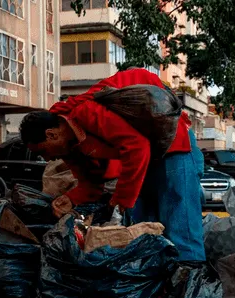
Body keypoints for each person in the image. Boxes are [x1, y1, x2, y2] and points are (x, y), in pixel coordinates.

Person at [19, 68, 205, 262]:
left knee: (179, 216)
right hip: (145, 159)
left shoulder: (86, 112)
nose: (47, 159)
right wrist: (70, 198)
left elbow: (137, 146)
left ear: (51, 134)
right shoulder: (71, 151)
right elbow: (92, 184)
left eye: (43, 152)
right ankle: (158, 277)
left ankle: (190, 275)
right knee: (143, 226)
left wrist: (122, 199)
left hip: (172, 143)